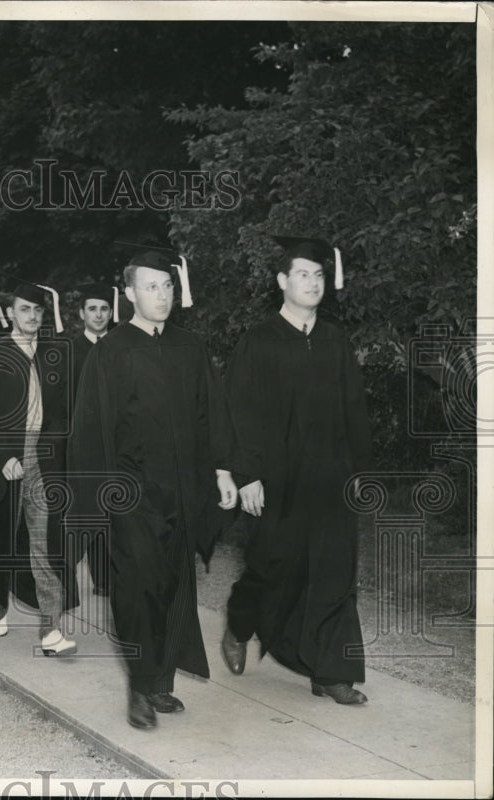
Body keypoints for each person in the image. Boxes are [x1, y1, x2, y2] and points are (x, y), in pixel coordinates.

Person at [69, 248, 240, 729]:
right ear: (129, 293)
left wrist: (223, 471)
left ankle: (161, 680)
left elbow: (212, 413)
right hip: (132, 493)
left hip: (182, 489)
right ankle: (140, 688)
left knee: (173, 586)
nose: (161, 295)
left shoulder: (190, 346)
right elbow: (90, 429)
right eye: (150, 286)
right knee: (137, 587)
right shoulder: (111, 351)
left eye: (167, 285)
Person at [221, 235, 373, 705]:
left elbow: (354, 410)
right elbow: (238, 412)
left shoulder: (335, 341)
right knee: (272, 567)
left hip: (330, 477)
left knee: (334, 571)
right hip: (276, 479)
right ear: (282, 281)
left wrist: (360, 472)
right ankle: (240, 622)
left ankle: (331, 672)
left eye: (319, 275)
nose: (312, 283)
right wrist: (247, 475)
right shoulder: (258, 341)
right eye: (302, 275)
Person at [0, 278, 79, 654]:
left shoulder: (54, 354)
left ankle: (50, 629)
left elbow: (63, 411)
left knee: (45, 542)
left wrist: (60, 450)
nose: (32, 316)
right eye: (24, 309)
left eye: (37, 310)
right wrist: (4, 457)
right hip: (4, 459)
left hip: (43, 458)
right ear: (10, 313)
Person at [70, 281, 118, 597]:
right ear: (81, 313)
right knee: (85, 511)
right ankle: (77, 576)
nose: (98, 315)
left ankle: (108, 577)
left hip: (116, 443)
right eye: (92, 309)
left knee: (115, 510)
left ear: (111, 312)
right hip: (82, 445)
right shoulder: (70, 351)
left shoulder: (122, 348)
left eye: (103, 309)